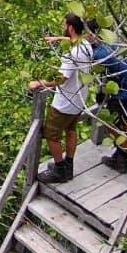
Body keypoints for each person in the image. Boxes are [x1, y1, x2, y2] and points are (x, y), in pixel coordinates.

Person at [27, 13, 94, 184]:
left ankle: (59, 169)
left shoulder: (71, 54)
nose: (63, 28)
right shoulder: (85, 45)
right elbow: (74, 41)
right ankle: (68, 165)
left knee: (51, 134)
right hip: (79, 100)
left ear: (71, 28)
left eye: (64, 26)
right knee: (71, 130)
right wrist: (58, 38)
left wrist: (39, 83)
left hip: (64, 103)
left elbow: (62, 79)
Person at [85, 18, 127, 174]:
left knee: (108, 120)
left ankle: (126, 152)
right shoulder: (113, 43)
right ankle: (122, 156)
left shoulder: (101, 54)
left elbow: (107, 74)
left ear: (92, 35)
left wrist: (102, 94)